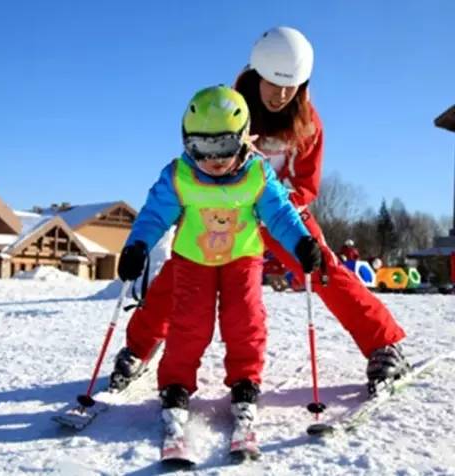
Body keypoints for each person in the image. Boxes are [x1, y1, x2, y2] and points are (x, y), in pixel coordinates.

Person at [111, 26, 409, 396]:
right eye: (273, 83)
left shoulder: (308, 123)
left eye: (292, 86)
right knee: (181, 275)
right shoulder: (227, 105)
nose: (281, 95)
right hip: (221, 211)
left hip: (277, 210)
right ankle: (138, 348)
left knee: (323, 267)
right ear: (256, 74)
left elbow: (307, 183)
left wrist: (282, 205)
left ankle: (383, 342)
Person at [117, 85, 322, 434]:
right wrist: (137, 245)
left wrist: (302, 242)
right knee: (189, 325)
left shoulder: (258, 174)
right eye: (201, 147)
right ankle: (176, 384)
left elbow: (280, 214)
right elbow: (154, 215)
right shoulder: (179, 176)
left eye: (223, 146)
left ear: (243, 139)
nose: (212, 159)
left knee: (245, 321)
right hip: (192, 261)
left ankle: (246, 381)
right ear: (186, 141)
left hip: (242, 259)